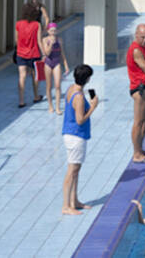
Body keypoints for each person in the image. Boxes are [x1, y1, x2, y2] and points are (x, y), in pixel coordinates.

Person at [62, 64, 98, 214]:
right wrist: (93, 108)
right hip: (76, 136)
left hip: (71, 134)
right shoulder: (79, 97)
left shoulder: (72, 88)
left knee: (76, 170)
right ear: (87, 78)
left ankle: (74, 201)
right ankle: (66, 206)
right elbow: (80, 120)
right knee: (72, 170)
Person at [127, 23, 145, 163]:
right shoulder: (137, 50)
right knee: (138, 122)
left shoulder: (143, 48)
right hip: (139, 89)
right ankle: (136, 154)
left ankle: (139, 147)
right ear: (136, 35)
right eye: (143, 37)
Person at [15, 3, 43, 107]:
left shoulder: (18, 24)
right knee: (34, 75)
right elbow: (39, 41)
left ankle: (21, 101)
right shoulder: (37, 25)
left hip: (21, 54)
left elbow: (16, 40)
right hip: (34, 54)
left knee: (22, 76)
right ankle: (36, 96)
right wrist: (44, 54)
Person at [42, 22, 69, 114]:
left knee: (57, 85)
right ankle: (50, 106)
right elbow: (47, 53)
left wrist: (65, 65)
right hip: (48, 63)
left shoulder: (59, 40)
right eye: (51, 30)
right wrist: (51, 44)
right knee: (49, 86)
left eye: (55, 30)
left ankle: (57, 107)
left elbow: (62, 53)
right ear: (48, 31)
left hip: (57, 63)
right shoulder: (45, 40)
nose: (53, 32)